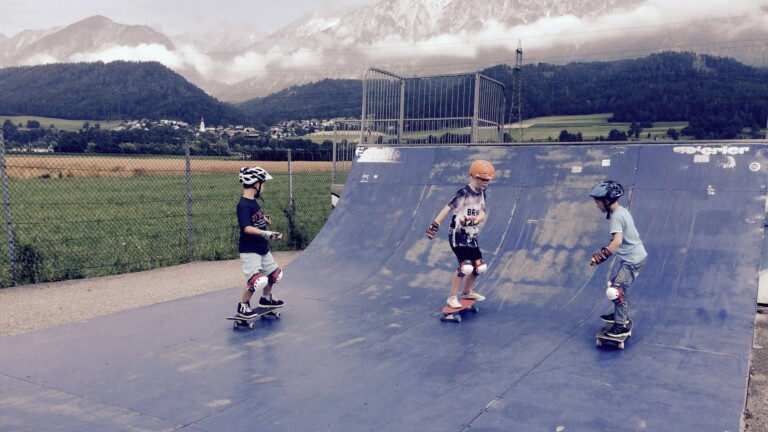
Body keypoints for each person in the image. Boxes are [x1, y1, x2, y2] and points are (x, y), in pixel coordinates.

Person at [426, 160, 495, 308]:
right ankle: (452, 297)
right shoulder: (463, 193)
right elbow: (447, 208)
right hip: (458, 235)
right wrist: (435, 225)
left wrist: (475, 220)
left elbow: (483, 212)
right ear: (473, 176)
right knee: (466, 267)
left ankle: (467, 292)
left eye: (487, 180)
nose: (485, 183)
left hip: (471, 236)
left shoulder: (482, 193)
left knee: (479, 267)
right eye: (482, 179)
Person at [588, 180, 648, 337]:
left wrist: (601, 256)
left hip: (632, 260)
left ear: (606, 201)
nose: (597, 205)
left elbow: (617, 241)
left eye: (598, 202)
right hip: (635, 257)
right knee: (617, 286)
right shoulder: (622, 211)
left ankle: (621, 325)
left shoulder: (616, 217)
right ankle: (620, 316)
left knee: (615, 290)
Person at [235, 166, 285, 318]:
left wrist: (264, 221)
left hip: (262, 247)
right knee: (257, 280)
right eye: (263, 183)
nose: (264, 187)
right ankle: (243, 306)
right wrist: (266, 233)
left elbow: (255, 219)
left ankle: (266, 299)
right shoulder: (243, 205)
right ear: (256, 184)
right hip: (250, 249)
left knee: (274, 274)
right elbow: (247, 228)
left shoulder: (254, 203)